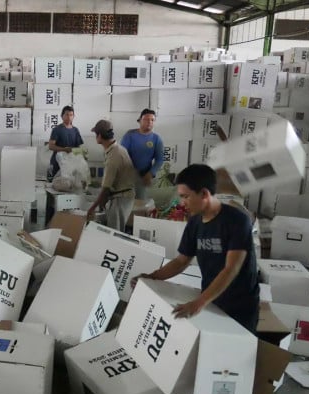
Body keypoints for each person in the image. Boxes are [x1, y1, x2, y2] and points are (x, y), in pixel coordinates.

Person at [131, 164, 260, 334]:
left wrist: (199, 302)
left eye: (186, 197)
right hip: (212, 301)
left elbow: (231, 269)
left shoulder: (236, 221)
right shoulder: (195, 223)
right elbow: (181, 262)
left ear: (204, 194)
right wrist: (152, 277)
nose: (182, 203)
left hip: (240, 307)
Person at [86, 120, 137, 231]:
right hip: (122, 195)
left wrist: (92, 208)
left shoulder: (114, 155)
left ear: (99, 136)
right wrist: (103, 202)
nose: (95, 137)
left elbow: (105, 188)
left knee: (115, 233)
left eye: (96, 134)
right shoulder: (117, 149)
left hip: (122, 198)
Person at [120, 109, 165, 200]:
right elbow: (122, 155)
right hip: (127, 175)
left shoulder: (156, 139)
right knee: (125, 202)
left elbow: (159, 159)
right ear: (140, 120)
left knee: (140, 203)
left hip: (144, 176)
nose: (149, 122)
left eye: (152, 120)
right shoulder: (130, 135)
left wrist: (151, 173)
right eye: (146, 119)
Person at [48, 105, 84, 178]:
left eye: (71, 115)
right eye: (67, 114)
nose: (69, 117)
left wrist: (82, 153)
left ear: (73, 116)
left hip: (70, 163)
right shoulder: (57, 129)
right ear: (62, 116)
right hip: (57, 162)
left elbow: (79, 147)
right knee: (53, 183)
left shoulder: (75, 130)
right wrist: (65, 149)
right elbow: (51, 146)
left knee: (69, 183)